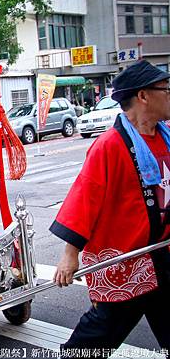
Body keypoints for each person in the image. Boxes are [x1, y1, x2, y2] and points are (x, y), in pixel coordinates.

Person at [50, 60, 170, 358]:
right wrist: (70, 255)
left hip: (162, 256)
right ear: (143, 96)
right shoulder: (110, 145)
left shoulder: (165, 137)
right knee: (97, 337)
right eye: (165, 89)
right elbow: (84, 198)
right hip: (124, 262)